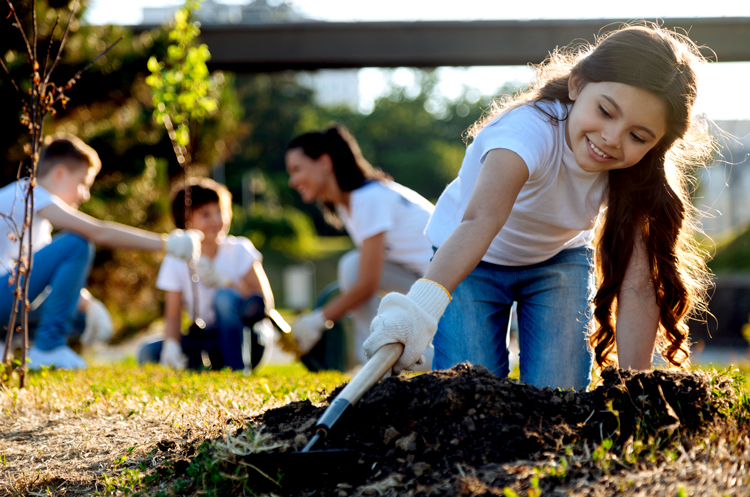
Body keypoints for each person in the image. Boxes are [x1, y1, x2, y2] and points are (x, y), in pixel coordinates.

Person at [363, 24, 714, 389]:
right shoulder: (524, 134)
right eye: (606, 111)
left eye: (638, 136)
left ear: (657, 143)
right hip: (473, 261)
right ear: (577, 85)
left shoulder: (637, 171)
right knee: (469, 387)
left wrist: (633, 388)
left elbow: (638, 284)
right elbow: (480, 222)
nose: (612, 139)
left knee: (558, 396)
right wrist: (417, 311)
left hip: (557, 262)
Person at [0, 134, 202, 370]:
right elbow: (99, 232)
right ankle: (48, 348)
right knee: (77, 243)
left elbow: (46, 282)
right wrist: (167, 244)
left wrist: (90, 305)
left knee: (81, 318)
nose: (85, 195)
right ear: (59, 174)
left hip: (6, 298)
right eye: (83, 183)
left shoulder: (38, 220)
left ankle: (9, 344)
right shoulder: (29, 193)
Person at [285, 125, 435, 367]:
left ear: (324, 162)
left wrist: (317, 320)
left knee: (352, 266)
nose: (293, 181)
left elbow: (367, 284)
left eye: (296, 169)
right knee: (353, 265)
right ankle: (380, 355)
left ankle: (378, 357)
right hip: (430, 287)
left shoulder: (368, 198)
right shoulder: (352, 204)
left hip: (452, 294)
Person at [138, 177, 277, 372]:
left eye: (220, 212)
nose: (216, 220)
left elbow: (263, 302)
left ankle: (237, 370)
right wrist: (171, 345)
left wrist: (226, 284)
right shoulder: (176, 259)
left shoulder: (240, 249)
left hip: (249, 338)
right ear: (186, 221)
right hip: (209, 339)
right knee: (148, 352)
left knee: (224, 298)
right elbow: (173, 315)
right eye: (205, 214)